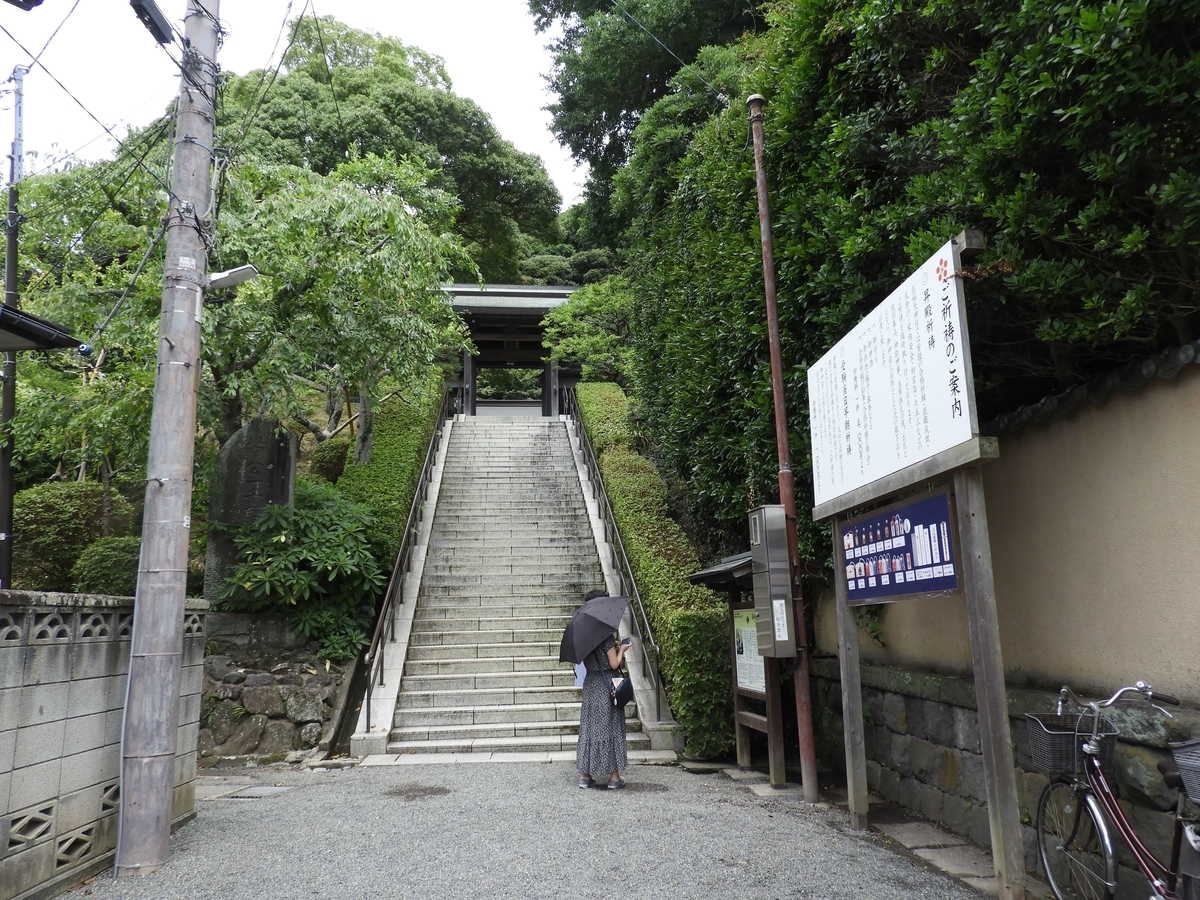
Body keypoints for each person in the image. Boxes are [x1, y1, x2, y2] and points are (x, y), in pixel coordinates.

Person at [575, 590, 631, 789]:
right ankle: (614, 777)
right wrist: (621, 650)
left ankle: (585, 775)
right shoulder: (605, 635)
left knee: (589, 727)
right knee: (611, 727)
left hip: (591, 685)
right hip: (607, 684)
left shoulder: (582, 635)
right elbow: (614, 664)